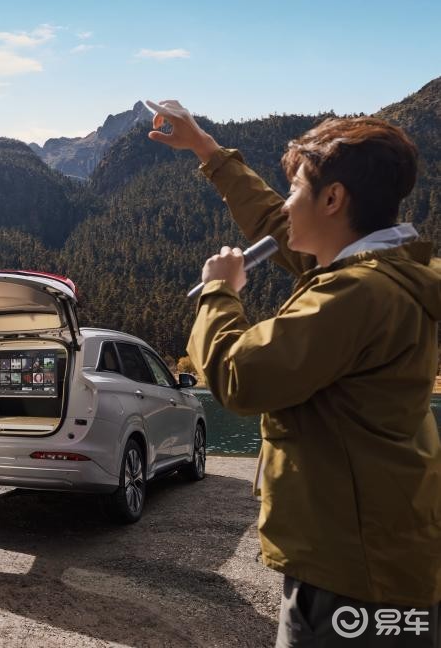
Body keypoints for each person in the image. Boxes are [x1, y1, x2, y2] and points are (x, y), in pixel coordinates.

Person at [146, 99, 441, 646]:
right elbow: (273, 221)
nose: (286, 205)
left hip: (351, 572)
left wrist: (219, 293)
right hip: (377, 549)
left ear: (332, 199)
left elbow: (238, 376)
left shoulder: (355, 294)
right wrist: (206, 149)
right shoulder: (384, 269)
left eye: (296, 189)